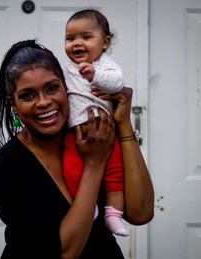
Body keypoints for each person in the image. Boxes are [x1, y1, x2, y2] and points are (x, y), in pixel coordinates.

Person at [0, 39, 154, 259]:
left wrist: (123, 123)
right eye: (28, 95)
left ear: (67, 88)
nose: (44, 102)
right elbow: (65, 252)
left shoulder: (94, 136)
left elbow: (140, 213)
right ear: (13, 105)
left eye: (52, 88)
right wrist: (94, 165)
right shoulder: (7, 165)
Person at [63, 9, 128, 236]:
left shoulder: (105, 65)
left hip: (107, 131)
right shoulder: (67, 69)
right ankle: (82, 207)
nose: (76, 43)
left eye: (86, 37)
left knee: (115, 174)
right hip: (75, 133)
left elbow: (116, 83)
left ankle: (113, 214)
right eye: (70, 39)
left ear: (105, 42)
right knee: (71, 170)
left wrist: (94, 75)